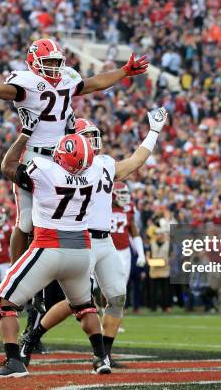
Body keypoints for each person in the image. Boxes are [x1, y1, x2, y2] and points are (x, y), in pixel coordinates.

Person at [0, 38, 148, 267]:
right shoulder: (26, 81)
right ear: (34, 63)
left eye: (56, 62)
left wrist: (123, 71)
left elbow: (95, 83)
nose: (53, 67)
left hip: (62, 158)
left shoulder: (67, 79)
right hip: (34, 154)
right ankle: (16, 273)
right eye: (48, 62)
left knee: (66, 216)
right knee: (26, 221)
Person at [19, 109, 167, 368]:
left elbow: (135, 161)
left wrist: (153, 132)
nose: (91, 141)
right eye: (85, 137)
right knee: (78, 300)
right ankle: (32, 337)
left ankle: (104, 355)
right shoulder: (62, 167)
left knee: (117, 296)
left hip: (105, 240)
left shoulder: (106, 164)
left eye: (92, 136)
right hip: (80, 238)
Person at [0, 133, 107, 378]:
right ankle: (101, 357)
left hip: (49, 247)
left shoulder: (44, 169)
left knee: (2, 300)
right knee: (84, 306)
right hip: (82, 252)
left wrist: (24, 137)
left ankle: (14, 362)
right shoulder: (96, 172)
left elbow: (7, 166)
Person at [111, 182, 146, 287]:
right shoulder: (103, 207)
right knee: (106, 285)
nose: (124, 196)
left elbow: (135, 233)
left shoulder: (129, 208)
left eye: (125, 193)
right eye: (121, 193)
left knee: (122, 285)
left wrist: (141, 254)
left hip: (124, 250)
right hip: (107, 250)